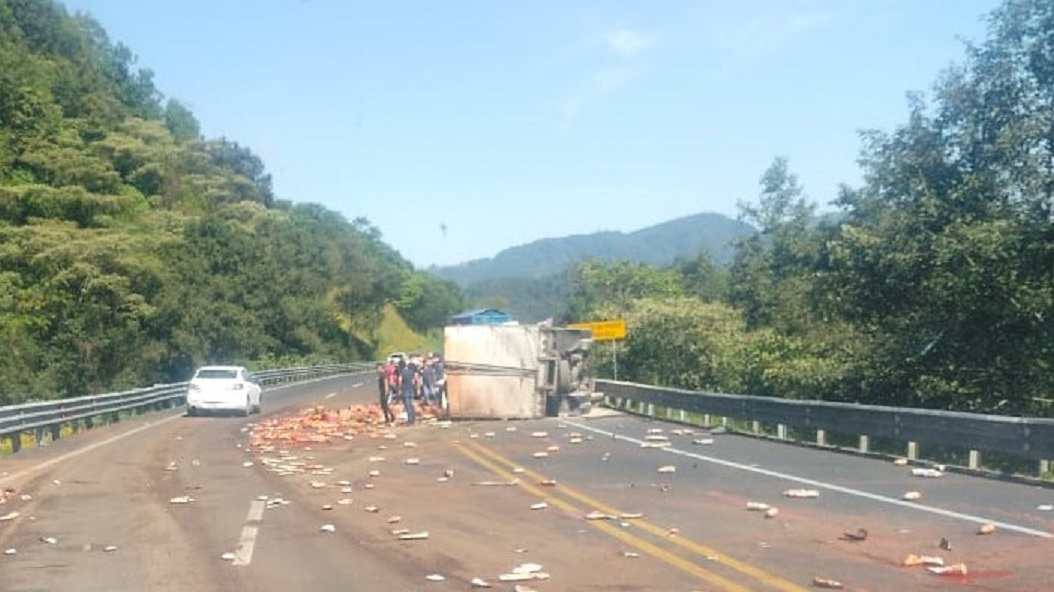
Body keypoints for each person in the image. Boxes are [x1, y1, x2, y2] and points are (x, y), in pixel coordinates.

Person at [399, 359, 416, 425]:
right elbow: (414, 381)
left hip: (405, 390)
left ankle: (410, 420)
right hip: (411, 390)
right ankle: (413, 419)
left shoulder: (402, 372)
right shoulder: (411, 372)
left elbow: (400, 381)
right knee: (412, 405)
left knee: (407, 405)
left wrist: (399, 389)